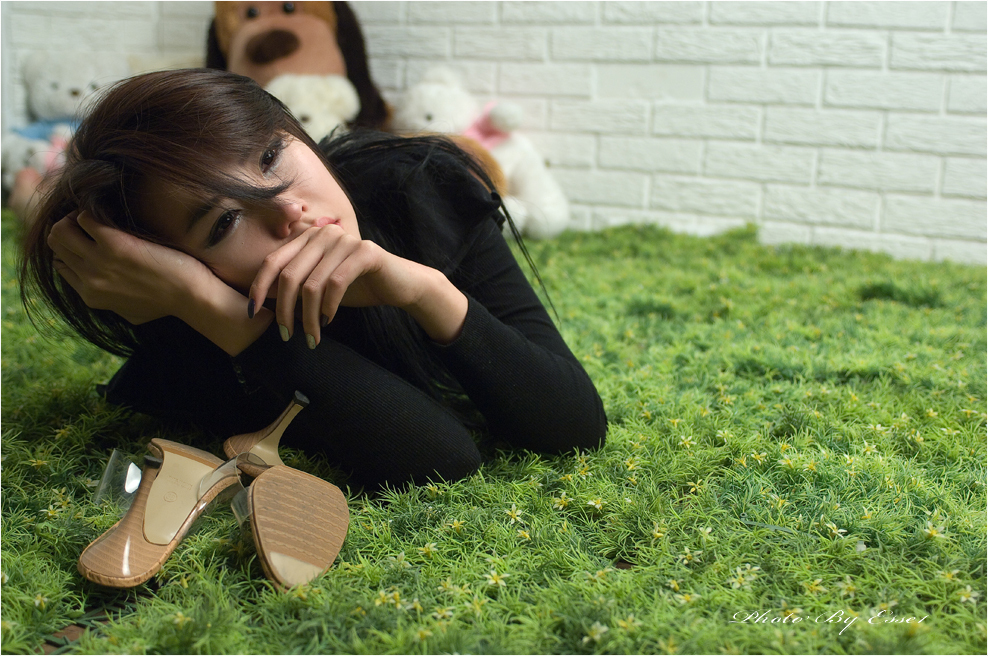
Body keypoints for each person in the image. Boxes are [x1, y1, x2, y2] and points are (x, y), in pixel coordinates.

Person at [21, 69, 607, 489]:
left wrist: (423, 289)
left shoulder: (416, 188)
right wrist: (209, 306)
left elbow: (575, 425)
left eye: (270, 157)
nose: (289, 211)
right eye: (225, 222)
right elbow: (443, 459)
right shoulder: (190, 328)